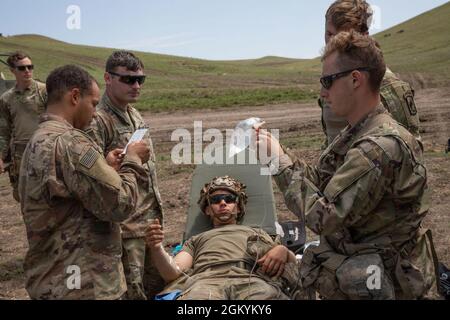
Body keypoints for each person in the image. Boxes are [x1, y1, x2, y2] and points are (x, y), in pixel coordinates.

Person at [257, 31, 440, 300]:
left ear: (355, 79)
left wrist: (278, 162)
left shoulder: (378, 147)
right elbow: (322, 182)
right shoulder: (357, 132)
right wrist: (277, 150)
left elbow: (324, 216)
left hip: (383, 284)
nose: (322, 92)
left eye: (328, 81)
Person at [18, 65, 151, 300]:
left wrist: (106, 169)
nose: (94, 112)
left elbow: (66, 194)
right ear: (75, 96)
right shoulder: (72, 143)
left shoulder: (37, 141)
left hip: (52, 279)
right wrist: (133, 160)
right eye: (93, 103)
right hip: (84, 283)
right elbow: (120, 204)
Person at [87, 51, 164, 300]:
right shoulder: (97, 120)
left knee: (157, 289)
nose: (137, 85)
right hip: (126, 229)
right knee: (135, 293)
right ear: (108, 78)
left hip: (150, 221)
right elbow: (93, 180)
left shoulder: (133, 114)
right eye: (129, 80)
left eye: (141, 79)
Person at [146, 176, 299, 300]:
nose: (223, 203)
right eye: (215, 200)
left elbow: (290, 266)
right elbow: (173, 272)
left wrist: (283, 250)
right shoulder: (196, 239)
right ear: (207, 209)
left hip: (249, 280)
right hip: (206, 283)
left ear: (238, 208)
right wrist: (157, 247)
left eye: (229, 199)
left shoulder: (257, 233)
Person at [319, 0, 420, 147]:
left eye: (345, 38)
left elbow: (410, 149)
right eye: (329, 34)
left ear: (364, 36)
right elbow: (333, 138)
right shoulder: (333, 78)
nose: (333, 43)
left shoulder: (387, 86)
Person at [0, 51, 47, 201]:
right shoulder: (6, 99)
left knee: (50, 191)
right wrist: (0, 156)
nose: (27, 71)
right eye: (22, 68)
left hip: (46, 148)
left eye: (30, 67)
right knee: (24, 195)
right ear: (12, 70)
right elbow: (3, 130)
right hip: (21, 152)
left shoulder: (45, 91)